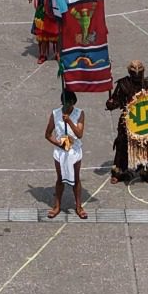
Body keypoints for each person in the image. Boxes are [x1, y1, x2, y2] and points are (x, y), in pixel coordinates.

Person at [44, 86, 89, 220]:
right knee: (60, 179)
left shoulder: (80, 113)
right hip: (61, 151)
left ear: (74, 103)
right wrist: (58, 144)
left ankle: (79, 206)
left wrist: (69, 121)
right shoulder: (55, 114)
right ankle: (57, 206)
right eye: (65, 103)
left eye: (69, 104)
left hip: (74, 150)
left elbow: (79, 134)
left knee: (76, 178)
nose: (67, 106)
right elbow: (47, 134)